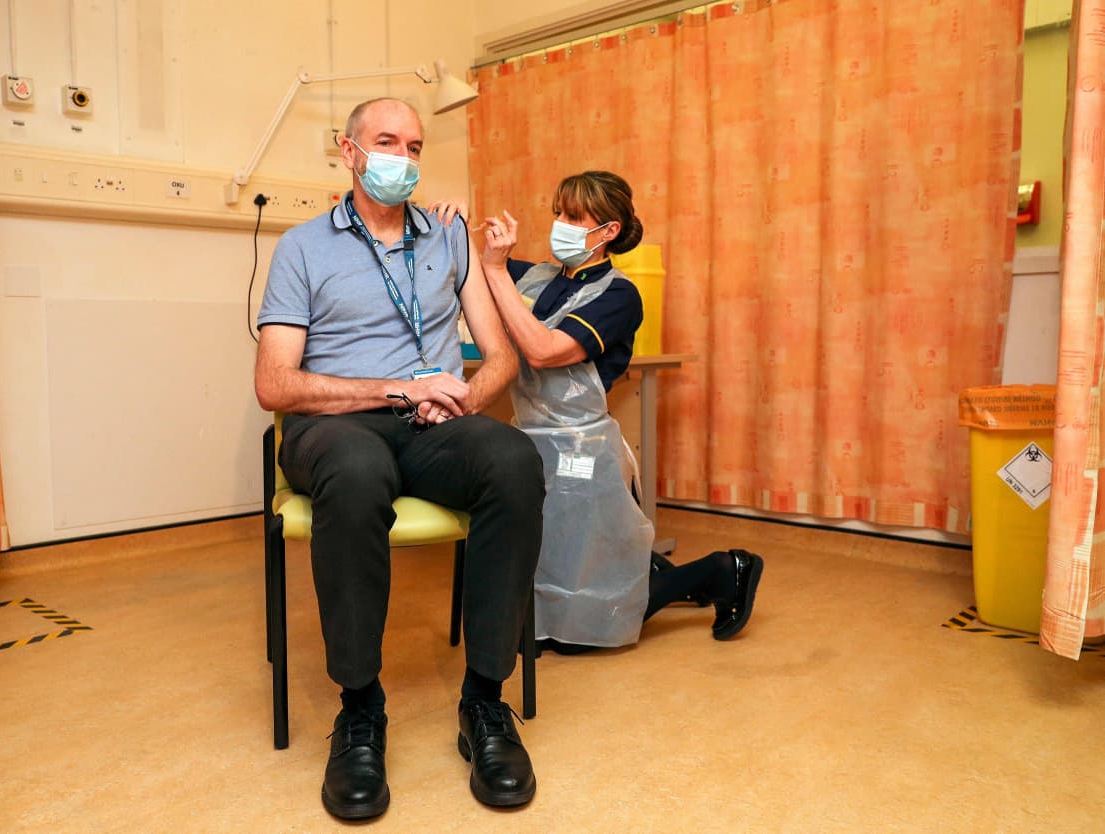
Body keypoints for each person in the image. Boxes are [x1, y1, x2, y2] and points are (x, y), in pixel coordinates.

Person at [254, 97, 544, 820]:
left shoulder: (447, 239)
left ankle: (484, 702)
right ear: (348, 152)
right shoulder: (302, 247)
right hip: (337, 424)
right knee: (355, 477)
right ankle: (360, 710)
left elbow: (501, 355)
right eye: (387, 142)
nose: (403, 159)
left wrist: (466, 399)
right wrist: (397, 387)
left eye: (414, 146)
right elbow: (274, 384)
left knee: (512, 460)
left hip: (434, 424)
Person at [473, 170, 763, 654]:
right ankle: (645, 567)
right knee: (553, 571)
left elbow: (542, 350)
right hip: (530, 437)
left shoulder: (618, 295)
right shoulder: (539, 276)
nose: (559, 224)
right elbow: (476, 271)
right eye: (558, 213)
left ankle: (721, 569)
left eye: (572, 216)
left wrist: (496, 270)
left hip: (581, 452)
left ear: (607, 232)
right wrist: (450, 227)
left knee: (592, 625)